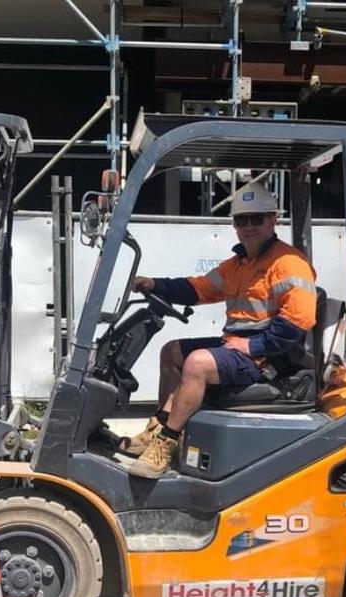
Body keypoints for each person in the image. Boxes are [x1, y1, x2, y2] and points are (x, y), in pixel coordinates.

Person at [124, 181, 318, 479]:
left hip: (269, 359)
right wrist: (155, 284)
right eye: (242, 219)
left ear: (273, 220)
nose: (249, 226)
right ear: (234, 225)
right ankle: (160, 425)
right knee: (172, 351)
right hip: (241, 346)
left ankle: (167, 443)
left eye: (257, 218)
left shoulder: (289, 263)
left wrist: (252, 348)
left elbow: (297, 323)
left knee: (197, 363)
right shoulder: (239, 264)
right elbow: (199, 288)